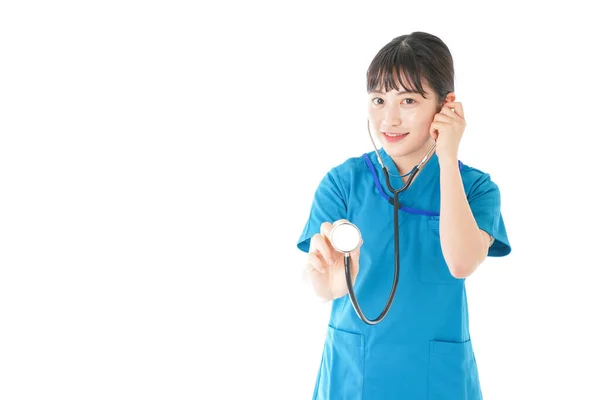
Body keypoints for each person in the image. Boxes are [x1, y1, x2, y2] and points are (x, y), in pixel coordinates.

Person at [296, 32, 512, 400]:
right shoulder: (343, 183)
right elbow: (319, 281)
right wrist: (331, 287)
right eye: (379, 99)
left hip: (437, 379)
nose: (389, 118)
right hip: (354, 375)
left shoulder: (476, 189)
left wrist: (447, 156)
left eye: (408, 99)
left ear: (445, 106)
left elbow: (461, 263)